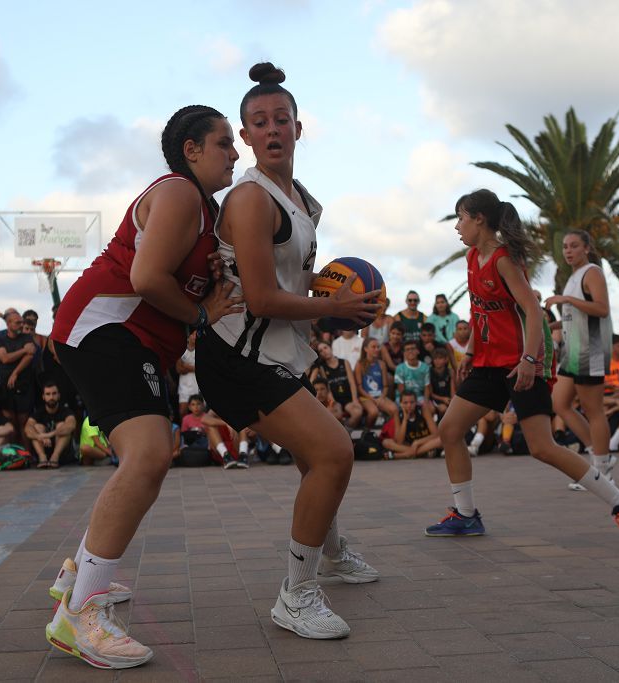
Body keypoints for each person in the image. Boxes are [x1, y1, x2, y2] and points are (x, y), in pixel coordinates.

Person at [44, 103, 243, 669]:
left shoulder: (204, 212)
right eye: (225, 142)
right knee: (149, 456)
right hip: (104, 327)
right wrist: (201, 316)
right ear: (192, 150)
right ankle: (81, 615)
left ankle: (79, 574)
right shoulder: (180, 193)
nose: (235, 152)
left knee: (152, 457)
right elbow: (145, 278)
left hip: (134, 342)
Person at [194, 63, 382, 641]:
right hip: (235, 356)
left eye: (281, 119)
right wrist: (338, 310)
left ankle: (328, 551)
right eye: (258, 122)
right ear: (247, 137)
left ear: (300, 128)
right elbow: (260, 298)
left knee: (313, 457)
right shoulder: (252, 199)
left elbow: (293, 287)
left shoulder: (298, 197)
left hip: (271, 352)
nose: (271, 129)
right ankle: (296, 595)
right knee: (333, 454)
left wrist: (332, 298)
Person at [421, 190, 619, 549]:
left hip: (521, 362)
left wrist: (530, 360)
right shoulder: (471, 257)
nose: (458, 226)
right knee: (450, 430)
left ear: (480, 219)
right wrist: (470, 351)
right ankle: (466, 515)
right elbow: (480, 311)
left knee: (542, 447)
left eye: (461, 218)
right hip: (488, 363)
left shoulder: (503, 260)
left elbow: (530, 309)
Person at [546, 230, 615, 490]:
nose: (568, 251)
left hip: (590, 350)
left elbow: (602, 308)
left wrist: (565, 299)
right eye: (564, 246)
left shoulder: (592, 272)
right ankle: (599, 455)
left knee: (593, 410)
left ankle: (602, 469)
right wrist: (551, 323)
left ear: (587, 247)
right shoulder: (574, 277)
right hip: (572, 351)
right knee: (559, 403)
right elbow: (574, 317)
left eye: (574, 246)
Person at [0, 309, 36, 444]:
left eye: (21, 322)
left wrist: (15, 372)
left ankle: (27, 455)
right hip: (5, 386)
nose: (21, 325)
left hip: (23, 384)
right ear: (9, 324)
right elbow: (4, 358)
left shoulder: (27, 337)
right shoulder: (0, 337)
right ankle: (12, 454)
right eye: (18, 323)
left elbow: (31, 355)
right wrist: (23, 350)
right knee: (10, 422)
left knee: (24, 421)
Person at [310, 342, 363, 428]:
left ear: (330, 347)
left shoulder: (344, 362)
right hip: (335, 399)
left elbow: (352, 383)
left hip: (348, 399)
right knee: (334, 415)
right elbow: (328, 388)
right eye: (321, 351)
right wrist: (332, 401)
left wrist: (355, 400)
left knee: (357, 413)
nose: (324, 351)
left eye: (325, 348)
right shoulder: (322, 368)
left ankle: (347, 429)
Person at [25, 381, 77, 468]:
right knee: (37, 427)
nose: (51, 397)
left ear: (58, 395)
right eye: (48, 394)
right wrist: (40, 436)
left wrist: (49, 434)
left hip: (62, 455)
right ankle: (42, 457)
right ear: (43, 397)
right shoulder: (38, 413)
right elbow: (27, 429)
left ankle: (55, 457)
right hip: (44, 450)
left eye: (54, 394)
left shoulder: (66, 411)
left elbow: (71, 425)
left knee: (62, 426)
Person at [380, 391, 443, 459]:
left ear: (416, 402)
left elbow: (436, 434)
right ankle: (419, 453)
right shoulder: (398, 414)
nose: (409, 405)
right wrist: (405, 419)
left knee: (440, 440)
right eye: (405, 403)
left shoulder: (423, 410)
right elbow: (399, 441)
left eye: (412, 402)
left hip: (424, 442)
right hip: (408, 445)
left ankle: (401, 455)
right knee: (386, 442)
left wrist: (417, 442)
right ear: (401, 404)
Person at [354, 338, 397, 426]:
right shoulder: (359, 364)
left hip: (380, 395)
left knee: (394, 409)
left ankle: (387, 430)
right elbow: (359, 387)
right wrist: (372, 399)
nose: (377, 349)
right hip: (366, 397)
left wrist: (381, 397)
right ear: (365, 349)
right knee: (373, 412)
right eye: (373, 347)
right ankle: (366, 431)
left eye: (378, 347)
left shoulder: (381, 364)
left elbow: (385, 386)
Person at [175, 330, 199, 420]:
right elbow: (178, 369)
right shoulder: (182, 350)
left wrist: (185, 365)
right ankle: (185, 432)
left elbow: (201, 369)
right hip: (184, 387)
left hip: (197, 385)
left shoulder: (200, 351)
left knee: (199, 411)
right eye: (194, 334)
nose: (195, 337)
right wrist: (193, 368)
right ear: (189, 336)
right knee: (182, 412)